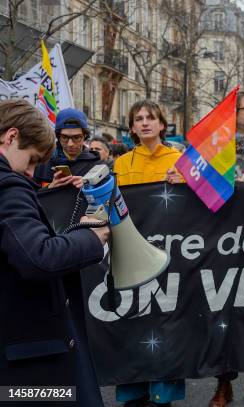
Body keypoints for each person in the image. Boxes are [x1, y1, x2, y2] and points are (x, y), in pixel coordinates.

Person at [0, 99, 110, 406]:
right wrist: (93, 237)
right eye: (33, 160)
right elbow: (39, 255)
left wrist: (42, 192)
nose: (32, 172)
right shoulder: (9, 186)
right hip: (28, 354)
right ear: (11, 137)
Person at [113, 100, 183, 407]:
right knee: (131, 321)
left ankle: (163, 394)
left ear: (162, 125)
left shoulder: (179, 159)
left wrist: (187, 182)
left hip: (169, 252)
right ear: (131, 128)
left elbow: (202, 201)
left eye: (151, 118)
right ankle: (132, 392)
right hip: (130, 253)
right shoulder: (121, 163)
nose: (144, 123)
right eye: (138, 119)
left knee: (167, 324)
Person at [208, 90, 244, 407]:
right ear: (232, 115)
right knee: (225, 312)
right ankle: (223, 384)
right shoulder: (217, 149)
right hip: (226, 239)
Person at [34, 107, 101, 188]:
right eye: (65, 137)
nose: (70, 144)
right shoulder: (42, 163)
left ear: (85, 136)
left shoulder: (96, 166)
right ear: (58, 136)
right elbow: (30, 196)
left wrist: (89, 187)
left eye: (76, 137)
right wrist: (49, 189)